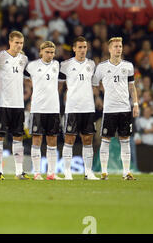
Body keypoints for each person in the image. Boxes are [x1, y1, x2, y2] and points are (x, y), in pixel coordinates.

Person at [92, 37, 140, 180]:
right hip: (109, 109)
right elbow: (94, 83)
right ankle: (104, 172)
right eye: (115, 46)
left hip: (125, 108)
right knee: (106, 140)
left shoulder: (128, 66)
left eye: (120, 46)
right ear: (109, 49)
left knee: (125, 140)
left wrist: (135, 104)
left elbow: (132, 87)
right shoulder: (101, 67)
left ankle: (126, 172)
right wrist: (98, 97)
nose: (118, 48)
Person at [0, 31, 30, 180]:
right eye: (16, 42)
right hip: (2, 103)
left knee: (18, 137)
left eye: (21, 43)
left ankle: (19, 172)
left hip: (18, 104)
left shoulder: (24, 59)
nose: (19, 45)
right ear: (10, 42)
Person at [59, 36, 99, 180]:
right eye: (80, 47)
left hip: (88, 107)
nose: (82, 50)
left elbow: (94, 85)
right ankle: (67, 171)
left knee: (88, 140)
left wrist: (98, 97)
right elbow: (60, 86)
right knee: (69, 139)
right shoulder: (65, 65)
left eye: (85, 47)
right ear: (74, 48)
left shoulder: (92, 64)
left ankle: (88, 172)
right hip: (72, 108)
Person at [24, 41, 63, 180]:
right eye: (47, 52)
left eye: (52, 52)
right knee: (37, 140)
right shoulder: (32, 66)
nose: (50, 55)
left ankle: (51, 173)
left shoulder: (57, 65)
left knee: (52, 140)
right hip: (38, 108)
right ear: (41, 52)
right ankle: (36, 173)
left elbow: (61, 83)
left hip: (53, 108)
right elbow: (24, 79)